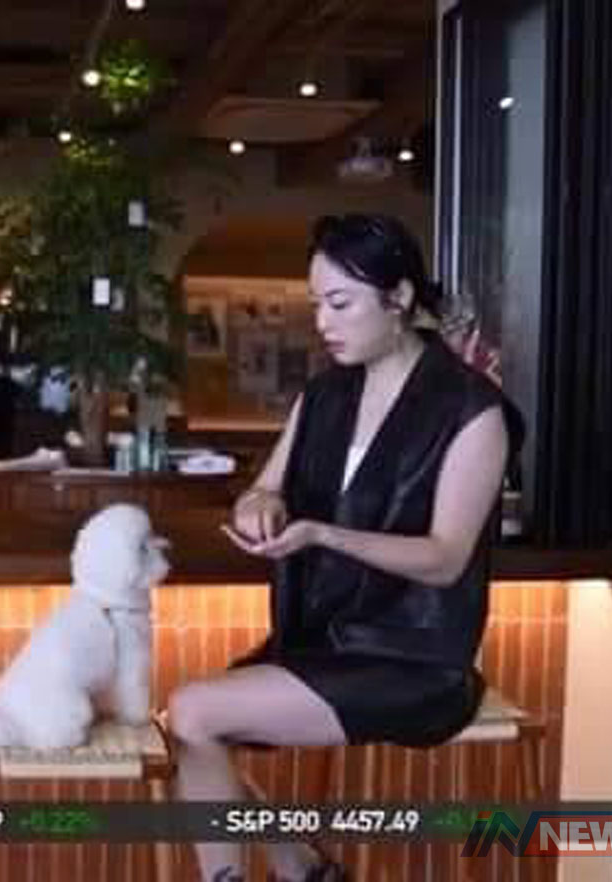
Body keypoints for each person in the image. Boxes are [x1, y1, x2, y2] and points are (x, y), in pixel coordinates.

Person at [166, 214, 524, 882]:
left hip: (415, 658)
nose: (323, 323)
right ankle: (303, 869)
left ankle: (295, 867)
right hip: (321, 637)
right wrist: (260, 508)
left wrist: (324, 533)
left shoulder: (473, 411)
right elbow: (262, 489)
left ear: (400, 298)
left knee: (193, 713)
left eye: (340, 303)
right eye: (316, 305)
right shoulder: (324, 394)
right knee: (186, 723)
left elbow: (445, 558)